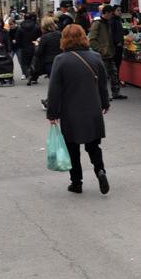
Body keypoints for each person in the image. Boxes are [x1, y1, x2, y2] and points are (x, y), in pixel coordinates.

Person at [46, 24, 111, 194]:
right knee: (93, 146)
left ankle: (77, 182)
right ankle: (100, 171)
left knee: (72, 149)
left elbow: (54, 90)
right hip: (93, 110)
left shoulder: (61, 60)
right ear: (83, 37)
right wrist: (105, 103)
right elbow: (103, 85)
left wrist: (52, 113)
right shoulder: (96, 57)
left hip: (70, 112)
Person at [88, 5, 126, 100]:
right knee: (103, 76)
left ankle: (116, 93)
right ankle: (103, 95)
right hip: (102, 55)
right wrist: (101, 50)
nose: (112, 16)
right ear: (107, 13)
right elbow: (91, 40)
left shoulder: (108, 23)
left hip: (110, 53)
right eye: (111, 14)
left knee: (113, 73)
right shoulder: (97, 24)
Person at [30, 17, 62, 86]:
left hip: (49, 62)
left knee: (54, 83)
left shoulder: (45, 37)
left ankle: (53, 96)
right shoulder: (59, 34)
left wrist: (37, 45)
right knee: (60, 81)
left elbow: (38, 52)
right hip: (60, 60)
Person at [16, 13, 41, 80]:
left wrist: (18, 46)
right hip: (34, 46)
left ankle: (28, 74)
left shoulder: (20, 28)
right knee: (34, 62)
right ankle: (34, 76)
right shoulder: (36, 27)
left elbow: (18, 40)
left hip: (24, 48)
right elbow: (40, 36)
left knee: (24, 63)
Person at [111, 5, 126, 77]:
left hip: (120, 44)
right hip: (115, 46)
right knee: (115, 62)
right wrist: (117, 42)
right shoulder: (112, 20)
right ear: (113, 11)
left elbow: (120, 31)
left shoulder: (118, 20)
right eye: (118, 10)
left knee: (118, 62)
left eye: (120, 10)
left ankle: (116, 78)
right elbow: (112, 33)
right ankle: (115, 78)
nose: (120, 12)